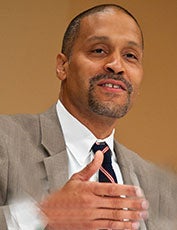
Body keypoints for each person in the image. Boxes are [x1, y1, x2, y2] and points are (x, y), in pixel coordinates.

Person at [0, 3, 177, 230]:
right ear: (62, 66)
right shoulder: (5, 140)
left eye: (130, 56)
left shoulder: (161, 187)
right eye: (99, 50)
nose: (116, 65)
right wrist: (42, 215)